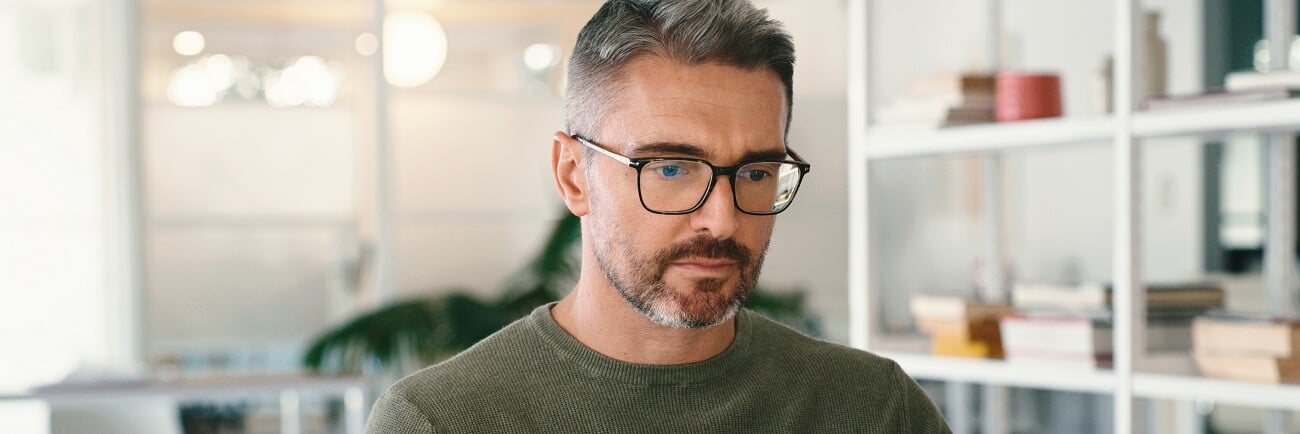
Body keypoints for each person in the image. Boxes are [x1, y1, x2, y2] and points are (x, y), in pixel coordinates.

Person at [365, 0, 951, 432]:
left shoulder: (874, 412)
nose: (721, 222)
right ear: (573, 175)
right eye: (671, 169)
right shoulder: (439, 421)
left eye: (754, 172)